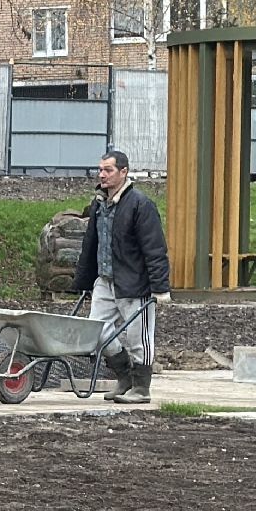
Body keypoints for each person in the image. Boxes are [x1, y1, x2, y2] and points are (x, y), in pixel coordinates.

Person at [71, 148, 171, 405]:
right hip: (105, 280)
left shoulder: (140, 204)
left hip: (134, 282)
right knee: (98, 332)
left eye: (108, 170)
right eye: (100, 169)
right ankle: (125, 378)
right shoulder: (99, 203)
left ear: (123, 172)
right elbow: (91, 244)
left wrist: (160, 287)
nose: (101, 175)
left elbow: (155, 248)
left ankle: (141, 388)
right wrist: (84, 281)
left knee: (139, 339)